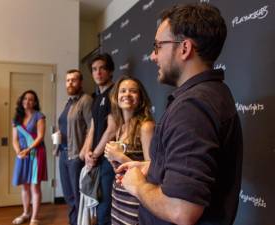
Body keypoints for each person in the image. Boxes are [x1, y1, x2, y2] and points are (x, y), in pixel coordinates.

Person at [117, 3, 243, 225]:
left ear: (184, 49)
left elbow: (182, 210)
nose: (153, 56)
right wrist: (150, 168)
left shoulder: (192, 107)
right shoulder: (212, 94)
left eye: (158, 46)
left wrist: (138, 186)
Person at [104, 76, 155, 224]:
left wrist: (119, 157)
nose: (127, 94)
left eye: (133, 91)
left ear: (140, 98)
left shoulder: (146, 127)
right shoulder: (120, 127)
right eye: (123, 91)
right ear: (116, 97)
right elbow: (120, 169)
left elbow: (152, 169)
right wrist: (112, 159)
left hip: (135, 198)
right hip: (119, 195)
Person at [80, 53, 116, 225]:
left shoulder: (114, 94)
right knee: (98, 207)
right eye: (94, 69)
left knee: (105, 210)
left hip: (109, 159)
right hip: (97, 159)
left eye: (102, 68)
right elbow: (93, 128)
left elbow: (112, 129)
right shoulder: (96, 97)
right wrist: (87, 152)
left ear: (110, 71)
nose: (98, 72)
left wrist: (94, 154)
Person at [57, 69, 92, 225]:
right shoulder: (69, 102)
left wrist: (83, 151)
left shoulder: (85, 100)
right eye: (67, 80)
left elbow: (92, 127)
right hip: (63, 154)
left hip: (76, 156)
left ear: (81, 82)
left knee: (78, 198)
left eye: (73, 80)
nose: (70, 83)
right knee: (69, 197)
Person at [12, 90, 47, 225]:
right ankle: (26, 213)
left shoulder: (39, 116)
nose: (28, 101)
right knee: (24, 186)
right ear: (22, 101)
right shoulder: (17, 119)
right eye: (25, 99)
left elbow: (40, 137)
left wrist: (27, 150)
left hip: (36, 154)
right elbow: (15, 139)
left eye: (31, 99)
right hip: (22, 155)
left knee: (34, 186)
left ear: (35, 102)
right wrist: (18, 152)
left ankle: (34, 217)